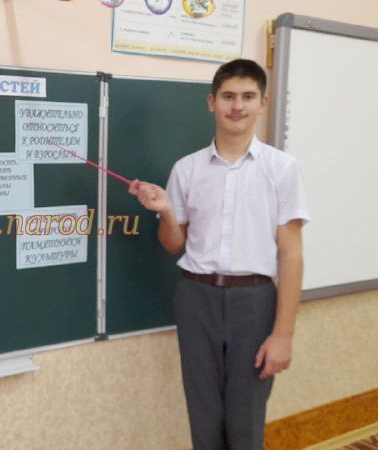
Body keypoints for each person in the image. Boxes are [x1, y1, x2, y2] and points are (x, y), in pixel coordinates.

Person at [128, 59, 310, 450]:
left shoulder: (282, 168)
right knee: (204, 416)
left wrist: (283, 334)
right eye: (228, 96)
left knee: (245, 420)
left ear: (263, 103)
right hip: (196, 297)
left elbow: (291, 254)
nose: (237, 106)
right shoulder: (187, 169)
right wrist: (166, 211)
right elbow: (174, 243)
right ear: (212, 102)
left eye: (248, 96)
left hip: (255, 300)